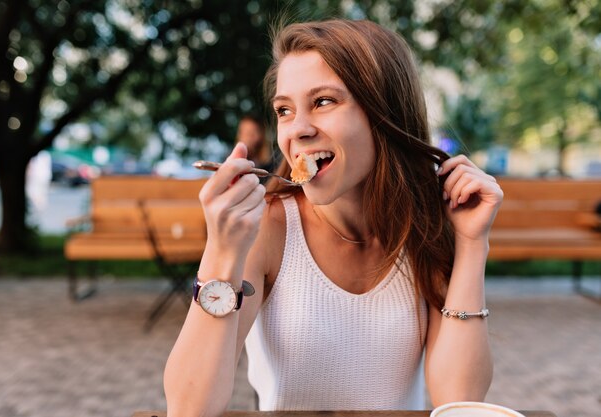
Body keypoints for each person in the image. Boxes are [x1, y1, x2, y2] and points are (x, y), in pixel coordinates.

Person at [164, 19, 503, 415]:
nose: (298, 130)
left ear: (384, 113)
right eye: (284, 110)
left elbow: (459, 399)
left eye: (324, 101)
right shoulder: (269, 228)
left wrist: (472, 243)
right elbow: (189, 409)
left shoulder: (425, 227)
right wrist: (221, 253)